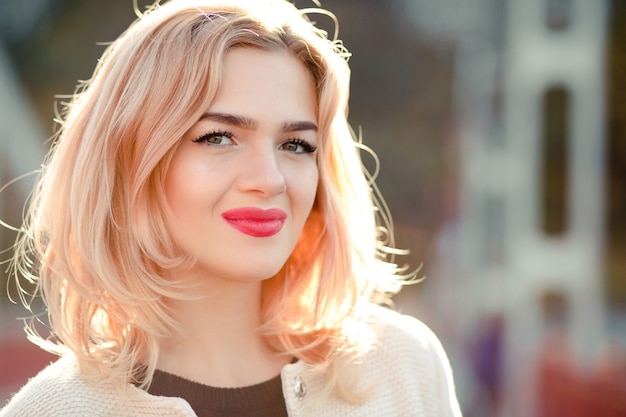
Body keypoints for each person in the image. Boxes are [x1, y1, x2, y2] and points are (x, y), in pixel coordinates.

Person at [0, 0, 462, 415]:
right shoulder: (54, 411)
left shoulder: (402, 365)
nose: (269, 179)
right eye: (218, 137)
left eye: (296, 144)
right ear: (129, 160)